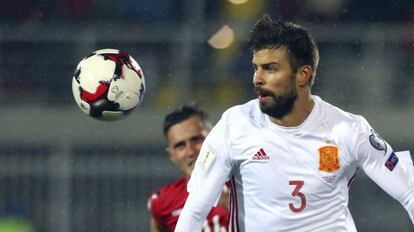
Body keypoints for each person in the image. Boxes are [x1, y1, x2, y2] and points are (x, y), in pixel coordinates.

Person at [175, 15, 414, 231]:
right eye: (256, 68)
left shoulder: (348, 130)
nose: (257, 78)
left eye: (270, 68)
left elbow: (410, 192)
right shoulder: (233, 126)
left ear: (303, 74)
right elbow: (196, 210)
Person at [148, 106, 229, 232]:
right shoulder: (163, 203)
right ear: (171, 155)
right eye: (180, 145)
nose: (190, 151)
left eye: (196, 139)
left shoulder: (245, 183)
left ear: (214, 139)